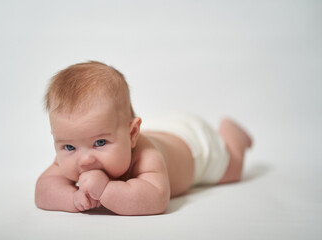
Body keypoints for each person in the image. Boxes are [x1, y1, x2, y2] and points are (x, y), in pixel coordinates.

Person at [35, 61, 252, 216]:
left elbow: (156, 199)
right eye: (69, 147)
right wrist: (71, 199)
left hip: (192, 143)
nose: (84, 160)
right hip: (157, 125)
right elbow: (43, 189)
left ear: (132, 135)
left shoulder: (147, 156)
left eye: (100, 143)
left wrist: (105, 190)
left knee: (232, 169)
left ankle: (231, 132)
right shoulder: (83, 146)